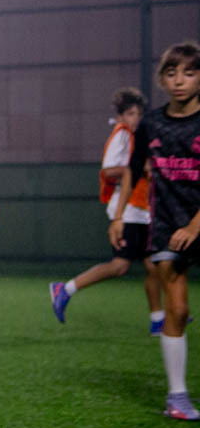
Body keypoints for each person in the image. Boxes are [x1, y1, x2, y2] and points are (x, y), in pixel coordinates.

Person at [110, 41, 200, 421]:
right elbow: (132, 170)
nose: (179, 81)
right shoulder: (150, 124)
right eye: (171, 73)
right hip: (166, 225)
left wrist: (195, 224)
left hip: (196, 221)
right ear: (162, 79)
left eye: (189, 73)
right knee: (177, 309)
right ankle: (177, 398)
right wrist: (119, 216)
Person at [50, 87, 164, 332]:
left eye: (138, 114)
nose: (135, 118)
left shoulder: (137, 136)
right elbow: (108, 169)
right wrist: (136, 168)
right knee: (120, 265)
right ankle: (64, 289)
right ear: (121, 116)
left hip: (143, 209)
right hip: (126, 210)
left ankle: (159, 320)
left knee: (153, 265)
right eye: (130, 113)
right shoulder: (121, 134)